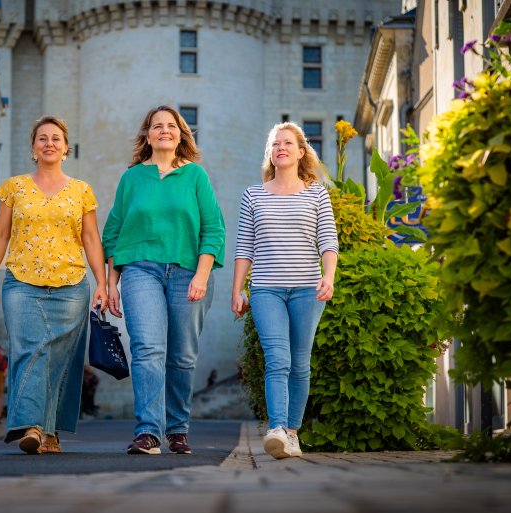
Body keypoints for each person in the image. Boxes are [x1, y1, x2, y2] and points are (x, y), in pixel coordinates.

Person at [103, 105, 226, 455]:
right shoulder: (131, 179)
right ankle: (149, 431)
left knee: (182, 356)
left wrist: (202, 275)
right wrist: (111, 282)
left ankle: (177, 428)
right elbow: (112, 232)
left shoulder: (196, 176)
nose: (164, 131)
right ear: (147, 135)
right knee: (147, 348)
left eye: (171, 126)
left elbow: (214, 229)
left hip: (188, 272)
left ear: (181, 134)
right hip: (140, 269)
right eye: (157, 126)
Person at [0, 115, 108, 455]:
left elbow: (92, 238)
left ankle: (51, 430)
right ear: (33, 148)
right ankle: (31, 426)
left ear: (66, 148)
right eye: (42, 138)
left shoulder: (82, 191)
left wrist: (102, 283)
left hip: (71, 285)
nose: (49, 142)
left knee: (59, 359)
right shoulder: (14, 187)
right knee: (29, 350)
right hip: (21, 282)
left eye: (56, 138)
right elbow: (1, 234)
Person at [231, 121, 338, 459]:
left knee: (300, 363)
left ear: (301, 151)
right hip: (266, 290)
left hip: (307, 288)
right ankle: (277, 428)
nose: (281, 147)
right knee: (277, 359)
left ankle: (292, 433)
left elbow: (328, 240)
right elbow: (244, 246)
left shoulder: (316, 193)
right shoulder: (254, 194)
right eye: (275, 143)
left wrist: (329, 276)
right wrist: (238, 290)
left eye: (288, 143)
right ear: (270, 154)